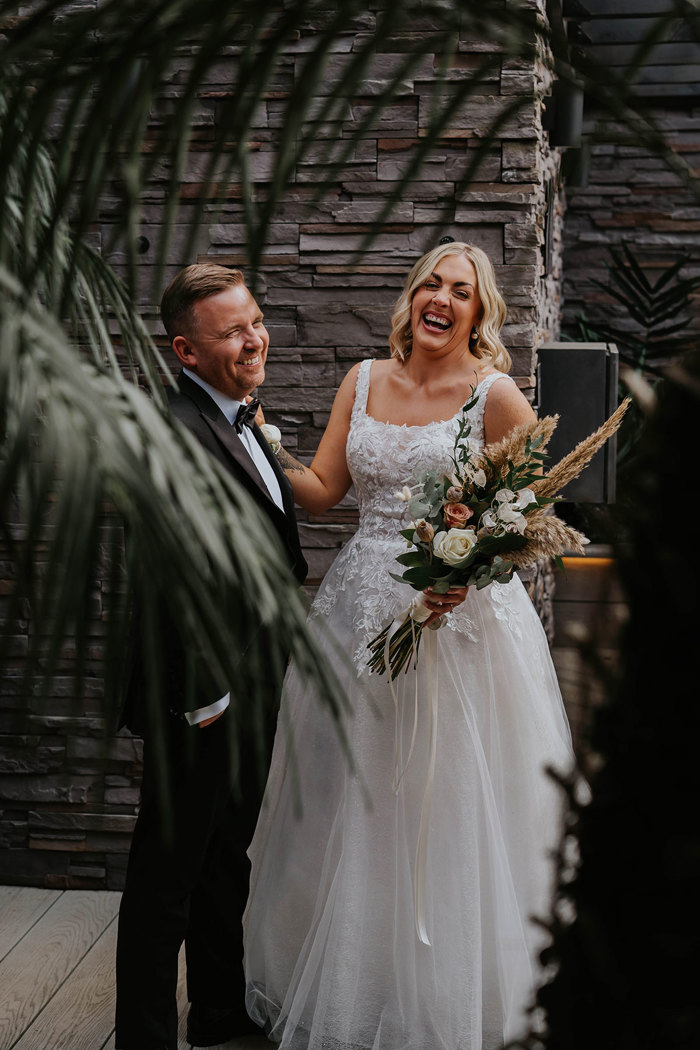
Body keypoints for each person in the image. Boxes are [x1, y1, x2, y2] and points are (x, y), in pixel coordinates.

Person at [243, 242, 576, 1049]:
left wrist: (475, 566)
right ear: (412, 296)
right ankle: (355, 984)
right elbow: (324, 492)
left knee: (446, 800)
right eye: (430, 281)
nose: (440, 297)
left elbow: (531, 512)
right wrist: (254, 436)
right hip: (359, 615)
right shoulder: (361, 379)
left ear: (478, 313)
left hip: (457, 629)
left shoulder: (493, 395)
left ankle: (447, 996)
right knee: (355, 798)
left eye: (460, 291)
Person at [115, 263, 307, 1050]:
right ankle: (144, 1037)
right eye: (231, 331)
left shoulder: (246, 417)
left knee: (228, 856)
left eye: (254, 320)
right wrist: (202, 694)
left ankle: (220, 1013)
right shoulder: (171, 433)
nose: (253, 338)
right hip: (199, 692)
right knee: (167, 878)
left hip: (256, 678)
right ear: (186, 353)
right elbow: (164, 580)